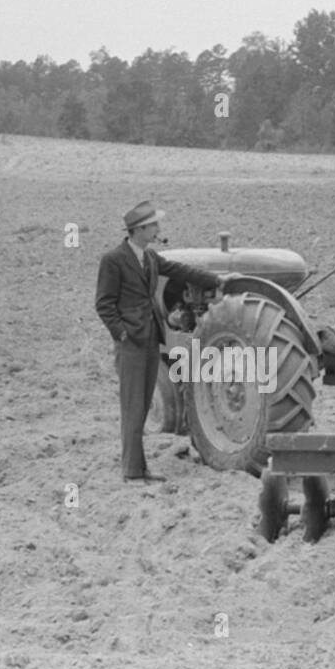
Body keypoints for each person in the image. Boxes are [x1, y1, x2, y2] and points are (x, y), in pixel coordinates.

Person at [95, 200, 226, 483]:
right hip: (131, 342)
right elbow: (104, 304)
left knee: (141, 407)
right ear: (139, 229)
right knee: (133, 406)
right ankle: (131, 471)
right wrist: (121, 334)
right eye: (154, 225)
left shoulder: (150, 258)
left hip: (152, 339)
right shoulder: (113, 260)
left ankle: (140, 468)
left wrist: (218, 281)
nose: (158, 229)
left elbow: (181, 271)